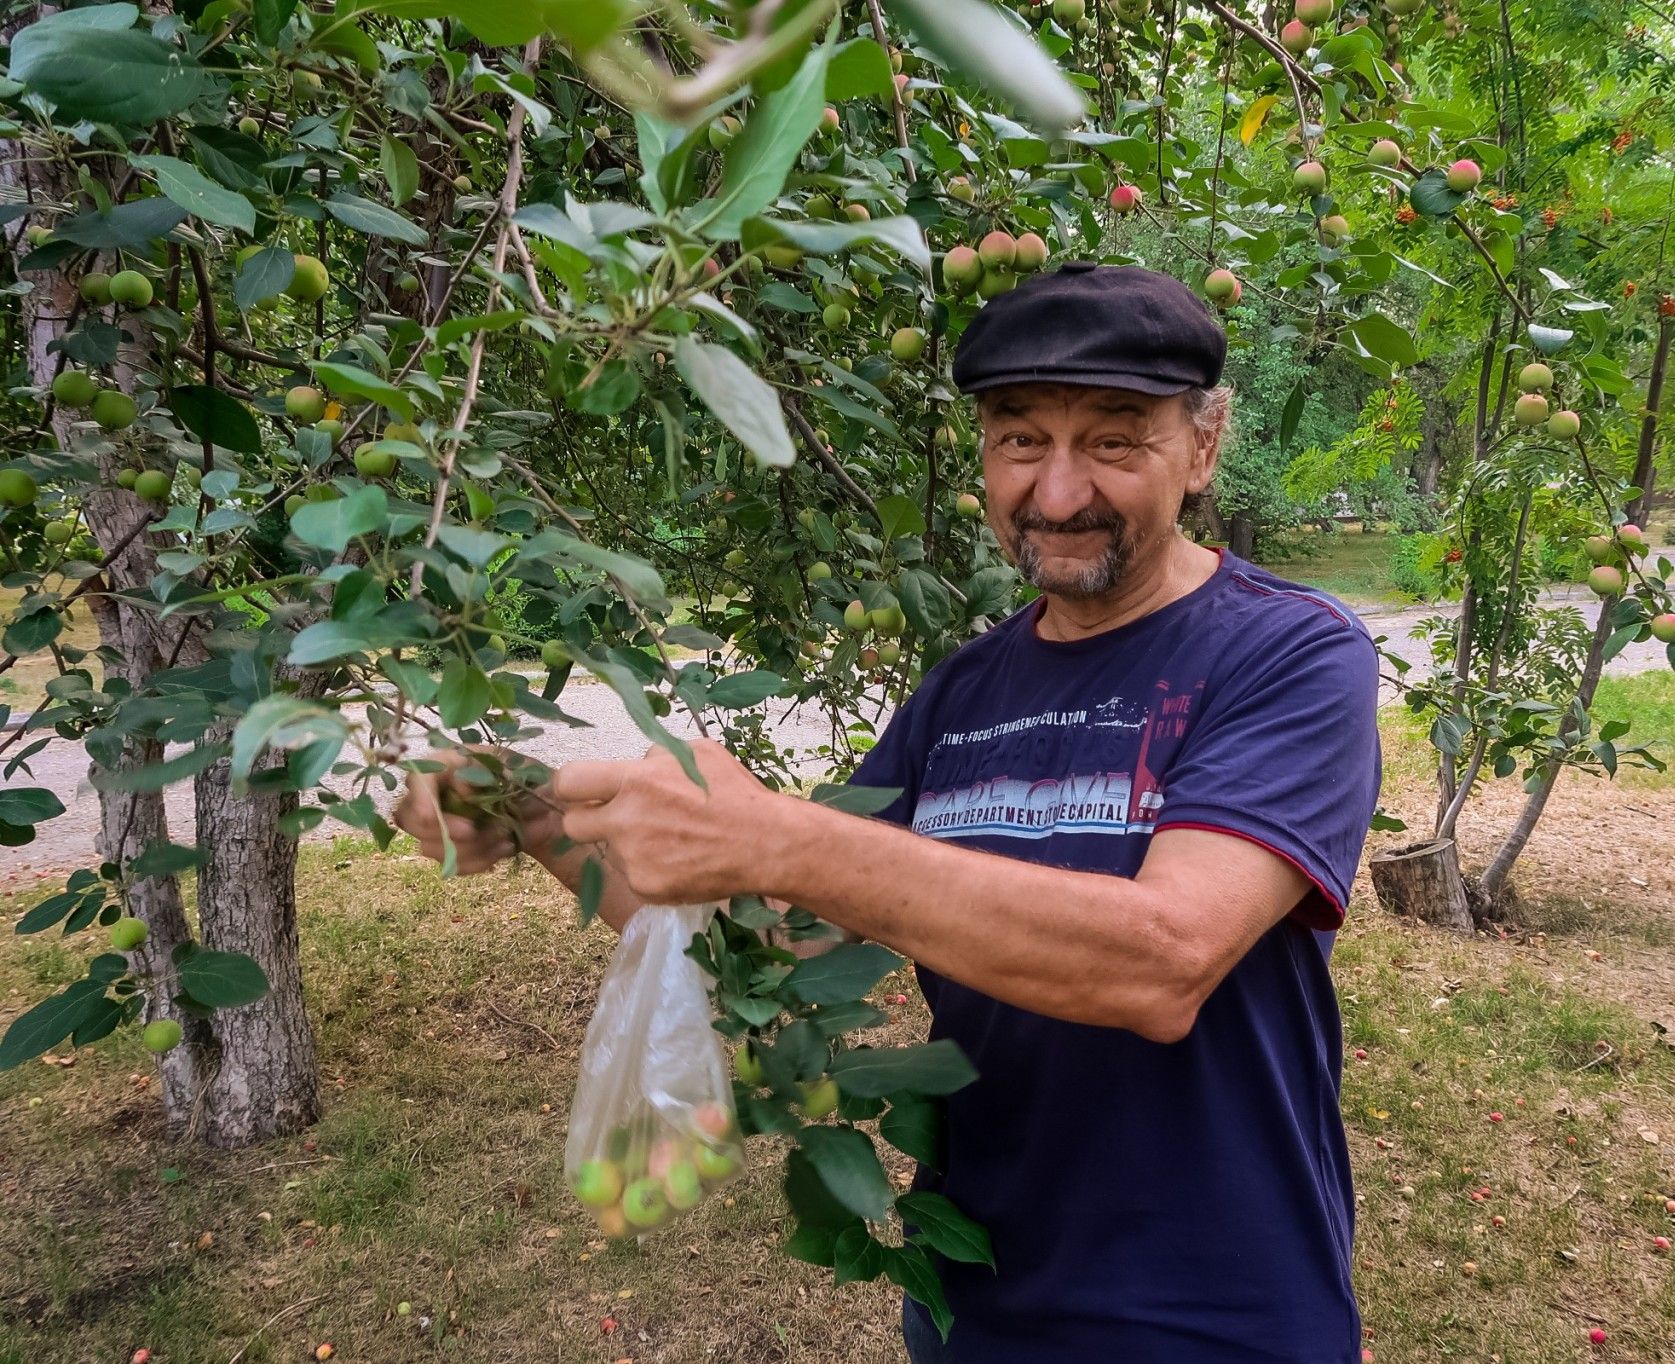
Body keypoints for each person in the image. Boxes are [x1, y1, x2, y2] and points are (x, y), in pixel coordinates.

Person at [396, 263, 1381, 1363]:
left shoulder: (1289, 651)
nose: (1057, 495)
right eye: (1020, 440)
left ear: (1203, 446)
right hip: (977, 1303)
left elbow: (1164, 961)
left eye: (1114, 441)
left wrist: (789, 834)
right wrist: (532, 811)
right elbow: (767, 945)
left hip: (1217, 1314)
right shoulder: (960, 695)